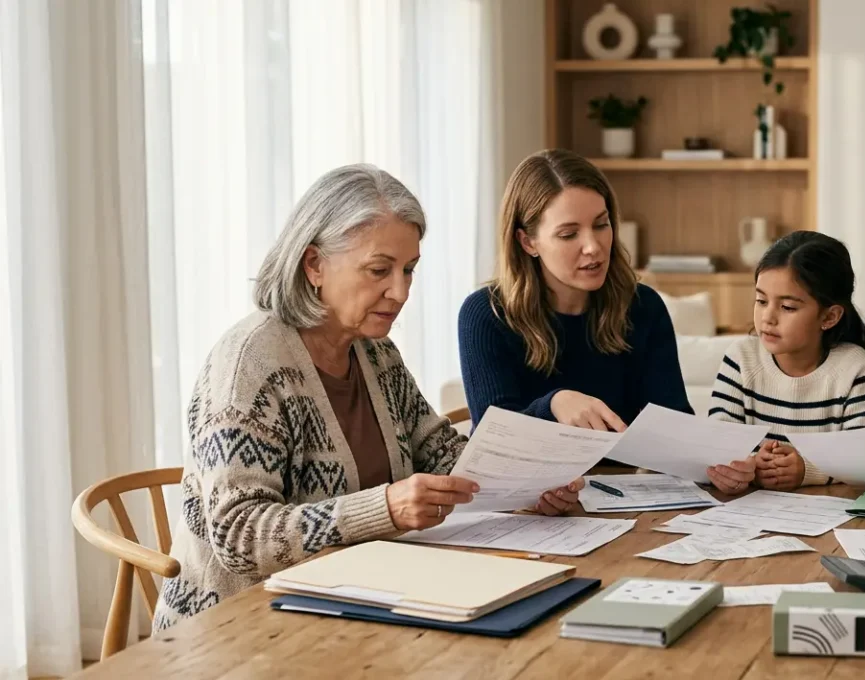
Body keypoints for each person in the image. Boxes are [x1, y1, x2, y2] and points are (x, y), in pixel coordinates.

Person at [153, 164, 581, 632]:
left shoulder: (374, 351)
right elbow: (239, 537)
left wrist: (530, 484)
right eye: (380, 270)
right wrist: (386, 509)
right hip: (239, 630)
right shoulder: (249, 364)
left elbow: (442, 453)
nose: (400, 292)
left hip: (356, 607)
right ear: (314, 264)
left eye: (409, 270)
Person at [458, 149, 690, 433]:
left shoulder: (643, 306)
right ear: (528, 242)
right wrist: (553, 404)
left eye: (601, 224)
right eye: (569, 234)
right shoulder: (487, 314)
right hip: (531, 479)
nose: (593, 246)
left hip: (618, 478)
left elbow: (676, 424)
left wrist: (720, 461)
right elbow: (494, 439)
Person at [706, 231, 865, 494]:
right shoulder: (741, 358)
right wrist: (751, 464)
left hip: (827, 517)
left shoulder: (853, 367)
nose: (768, 317)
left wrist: (806, 469)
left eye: (787, 307)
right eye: (761, 301)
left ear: (830, 316)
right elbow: (718, 443)